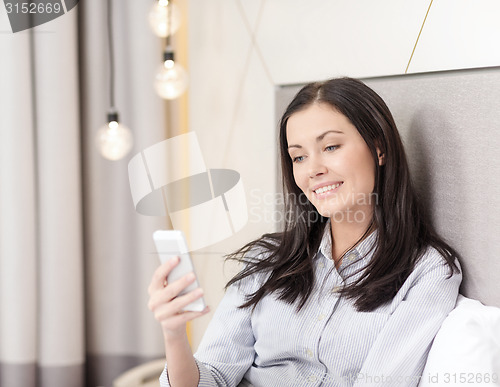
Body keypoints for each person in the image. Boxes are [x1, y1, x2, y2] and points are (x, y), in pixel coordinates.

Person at [148, 77, 462, 387]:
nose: (313, 170)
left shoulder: (428, 271)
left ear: (378, 147)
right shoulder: (267, 260)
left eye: (331, 146)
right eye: (299, 156)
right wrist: (174, 334)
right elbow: (211, 380)